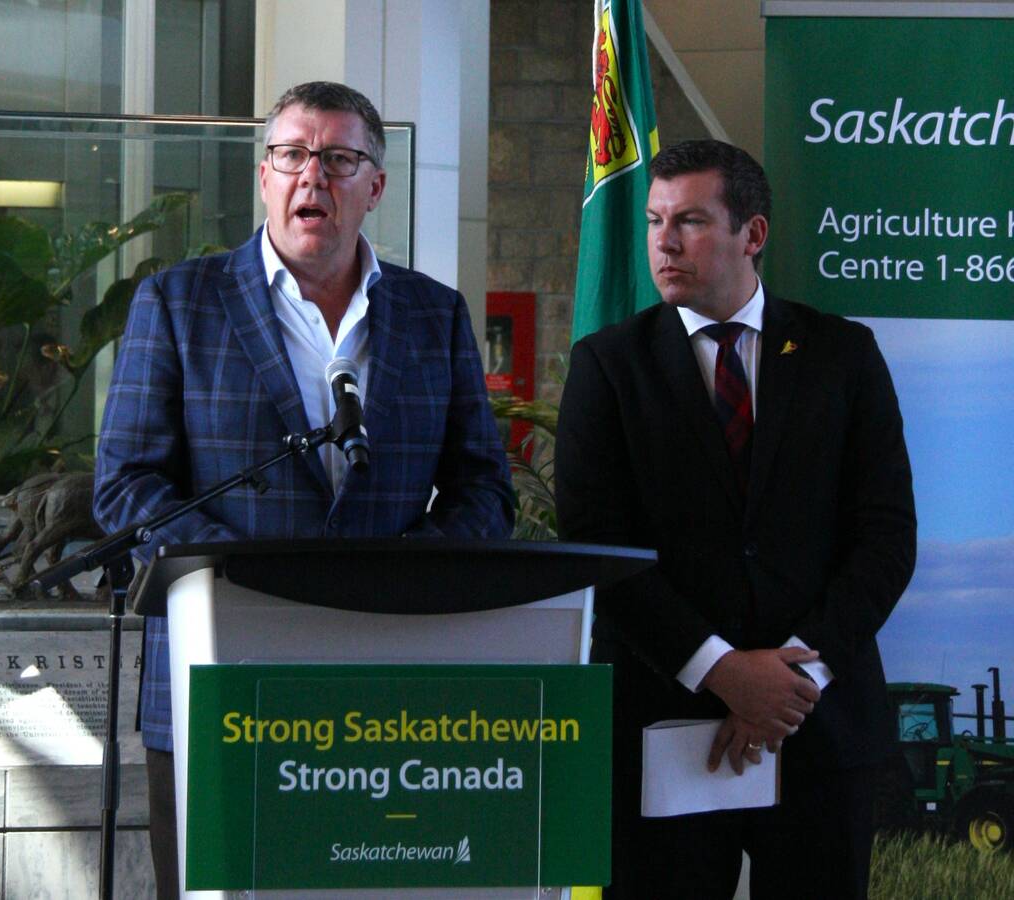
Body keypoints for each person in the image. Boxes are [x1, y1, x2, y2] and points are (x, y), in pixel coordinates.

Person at [93, 81, 514, 898]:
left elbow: (484, 490)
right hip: (215, 681)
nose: (310, 177)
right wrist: (249, 580)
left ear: (375, 187)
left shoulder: (434, 315)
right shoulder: (180, 302)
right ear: (264, 175)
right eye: (290, 154)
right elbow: (126, 487)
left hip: (386, 687)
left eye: (338, 159)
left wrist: (406, 577)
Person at [555, 139, 916, 899]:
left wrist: (793, 677)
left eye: (689, 220)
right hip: (663, 721)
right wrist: (720, 670)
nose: (663, 241)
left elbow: (886, 538)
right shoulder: (608, 365)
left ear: (752, 235)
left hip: (818, 726)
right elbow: (597, 543)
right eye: (655, 220)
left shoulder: (842, 354)